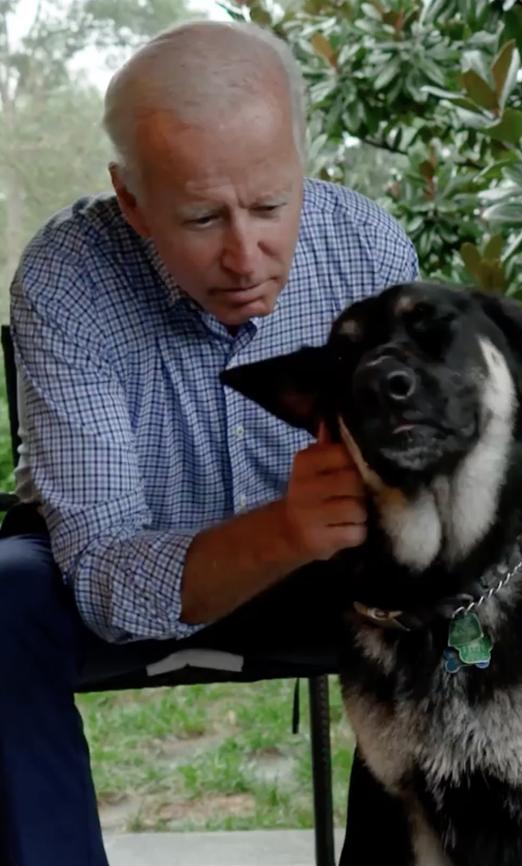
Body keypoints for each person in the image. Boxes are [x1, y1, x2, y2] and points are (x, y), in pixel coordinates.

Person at [0, 19, 418, 866]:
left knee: (443, 602)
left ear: (301, 165)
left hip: (322, 571)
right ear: (131, 199)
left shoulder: (368, 247)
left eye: (271, 206)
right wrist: (282, 530)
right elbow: (107, 574)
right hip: (99, 572)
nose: (245, 254)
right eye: (200, 217)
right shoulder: (64, 277)